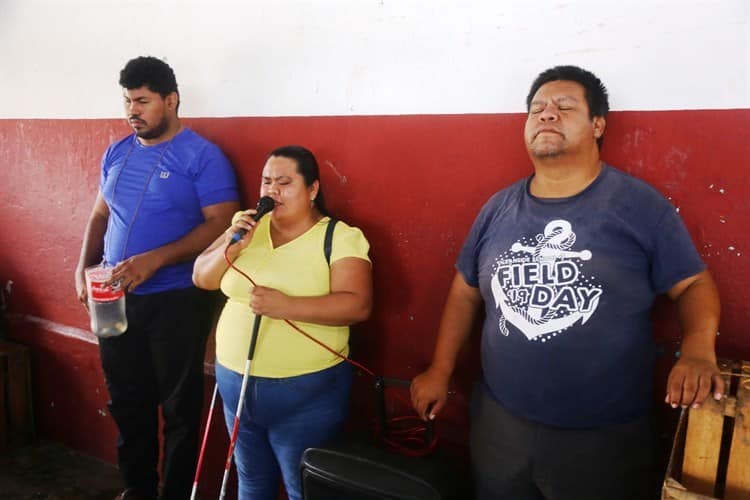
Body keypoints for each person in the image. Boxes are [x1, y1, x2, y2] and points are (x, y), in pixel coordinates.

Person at [410, 65, 724, 500]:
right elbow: (466, 292)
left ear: (598, 124)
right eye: (537, 108)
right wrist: (440, 369)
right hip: (500, 424)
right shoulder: (498, 208)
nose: (547, 115)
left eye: (564, 107)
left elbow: (692, 285)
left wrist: (697, 349)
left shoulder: (638, 206)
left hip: (603, 436)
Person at [74, 56, 240, 500]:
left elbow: (221, 223)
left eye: (143, 101)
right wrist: (81, 265)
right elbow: (99, 213)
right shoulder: (117, 152)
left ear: (171, 100)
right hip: (112, 294)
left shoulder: (203, 157)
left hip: (177, 298)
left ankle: (175, 493)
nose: (133, 111)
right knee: (127, 399)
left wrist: (157, 260)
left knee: (179, 406)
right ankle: (137, 488)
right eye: (128, 101)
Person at [193, 145, 373, 500]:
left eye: (284, 182)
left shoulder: (338, 237)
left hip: (307, 397)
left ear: (312, 189)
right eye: (265, 182)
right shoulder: (246, 226)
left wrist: (286, 305)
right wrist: (234, 247)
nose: (271, 191)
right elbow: (201, 276)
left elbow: (358, 305)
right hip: (236, 388)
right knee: (251, 481)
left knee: (301, 488)